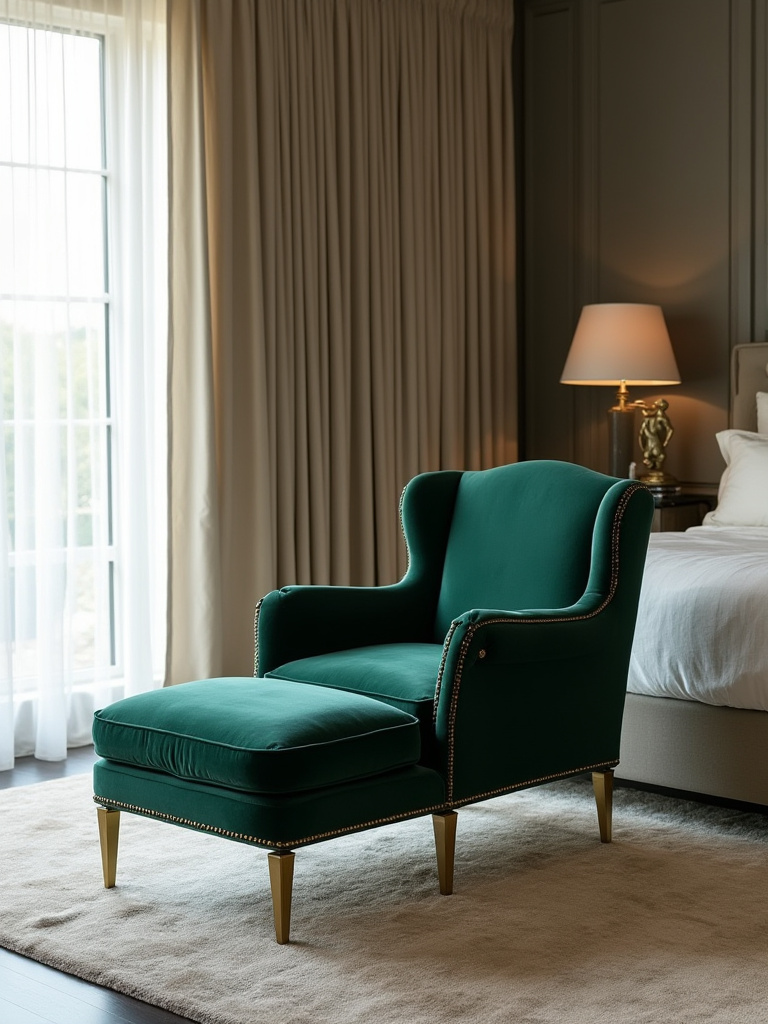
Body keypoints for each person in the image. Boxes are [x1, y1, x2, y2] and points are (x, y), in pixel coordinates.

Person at [639, 399, 674, 473]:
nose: (654, 404)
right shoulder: (649, 418)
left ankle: (657, 468)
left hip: (655, 442)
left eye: (657, 403)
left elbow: (670, 429)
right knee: (652, 455)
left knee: (659, 456)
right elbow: (641, 434)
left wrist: (666, 441)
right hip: (650, 442)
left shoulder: (661, 418)